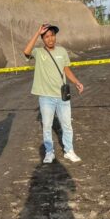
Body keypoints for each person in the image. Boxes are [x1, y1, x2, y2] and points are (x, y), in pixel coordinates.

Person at [23, 23, 84, 164]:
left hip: (62, 96)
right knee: (47, 126)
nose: (50, 39)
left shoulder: (62, 51)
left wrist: (76, 82)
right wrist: (37, 33)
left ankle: (69, 151)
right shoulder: (38, 52)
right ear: (43, 39)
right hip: (45, 97)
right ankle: (49, 152)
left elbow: (66, 70)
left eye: (52, 35)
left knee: (67, 125)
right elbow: (26, 52)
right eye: (47, 37)